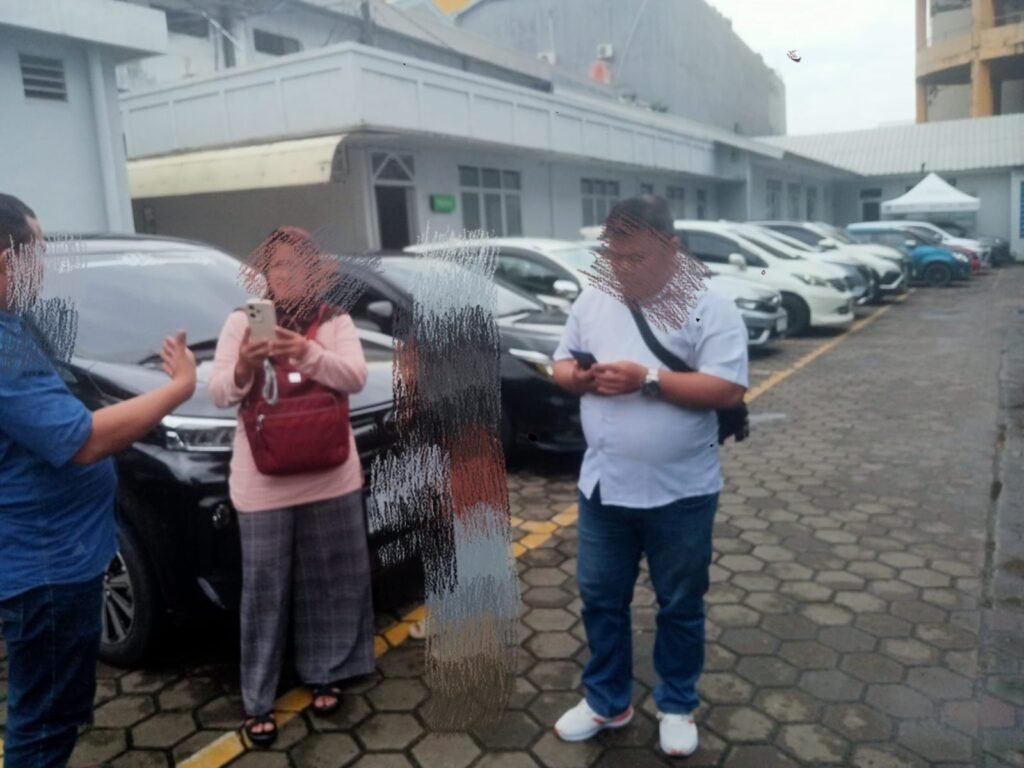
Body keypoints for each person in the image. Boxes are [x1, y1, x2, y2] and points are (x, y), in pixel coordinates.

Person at [0, 193, 197, 768]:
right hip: (47, 570)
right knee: (43, 723)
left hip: (58, 556)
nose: (44, 266)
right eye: (37, 252)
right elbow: (83, 440)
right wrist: (178, 389)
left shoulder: (14, 322)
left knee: (54, 706)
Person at [550, 196, 749, 757]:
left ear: (671, 248)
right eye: (613, 256)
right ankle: (607, 700)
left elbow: (727, 388)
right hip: (603, 487)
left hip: (681, 492)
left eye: (635, 257)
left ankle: (678, 703)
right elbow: (560, 362)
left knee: (680, 603)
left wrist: (650, 380)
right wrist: (576, 378)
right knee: (600, 599)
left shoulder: (708, 306)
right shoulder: (594, 299)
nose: (621, 268)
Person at [208, 227, 375, 747]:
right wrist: (244, 364)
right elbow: (219, 393)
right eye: (278, 266)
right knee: (264, 591)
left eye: (299, 265)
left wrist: (306, 352)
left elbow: (355, 377)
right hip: (263, 483)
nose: (288, 275)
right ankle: (258, 697)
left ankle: (327, 672)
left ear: (316, 272)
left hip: (332, 476)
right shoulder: (243, 321)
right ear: (264, 273)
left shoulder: (335, 320)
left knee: (331, 581)